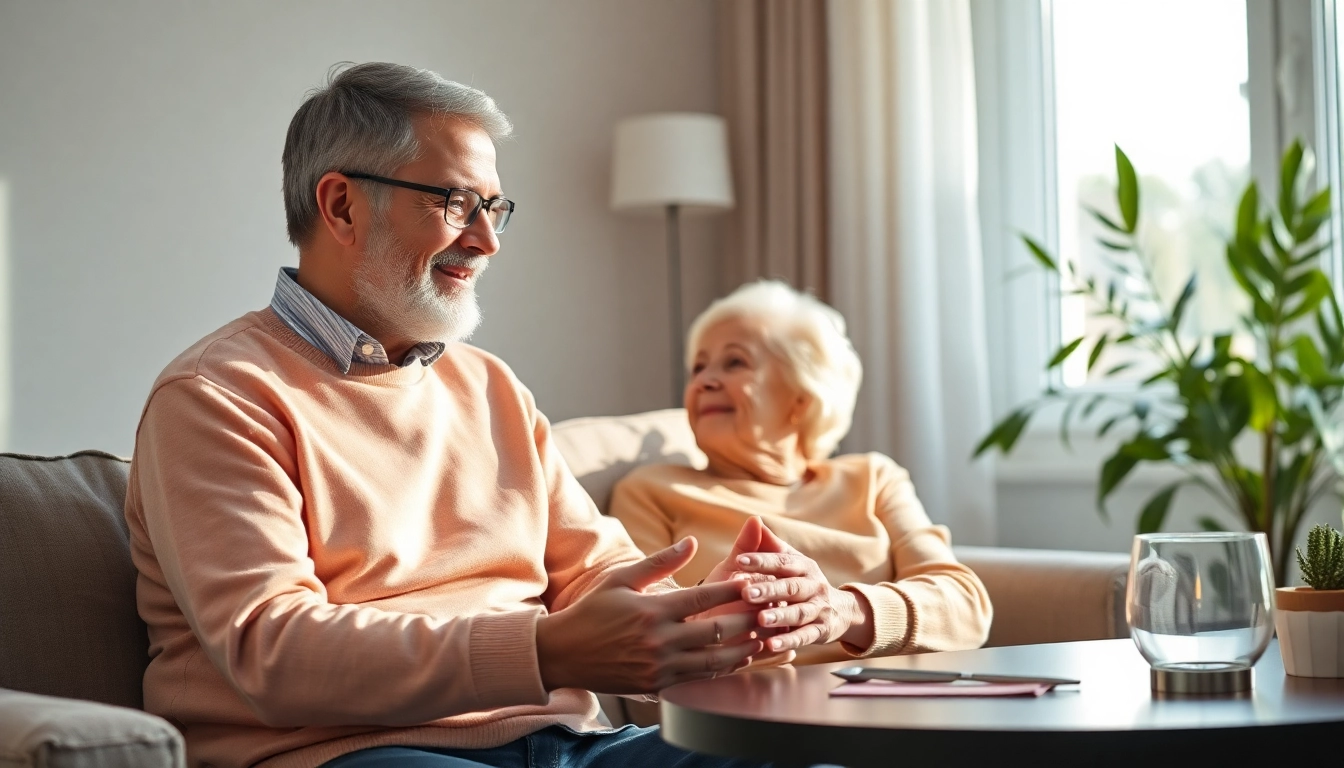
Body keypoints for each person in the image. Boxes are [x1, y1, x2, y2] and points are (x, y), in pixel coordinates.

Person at [124, 62, 800, 768]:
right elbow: (274, 650)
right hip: (348, 754)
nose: (487, 240)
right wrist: (542, 649)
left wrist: (712, 612)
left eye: (495, 207)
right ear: (342, 206)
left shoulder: (489, 385)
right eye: (455, 202)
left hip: (570, 745)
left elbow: (597, 571)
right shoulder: (217, 396)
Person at [610, 280, 993, 668]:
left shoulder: (872, 479)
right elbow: (637, 640)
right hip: (755, 715)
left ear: (801, 396)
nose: (704, 381)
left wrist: (844, 611)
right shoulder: (652, 491)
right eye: (698, 367)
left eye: (735, 362)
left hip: (888, 703)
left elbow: (966, 608)